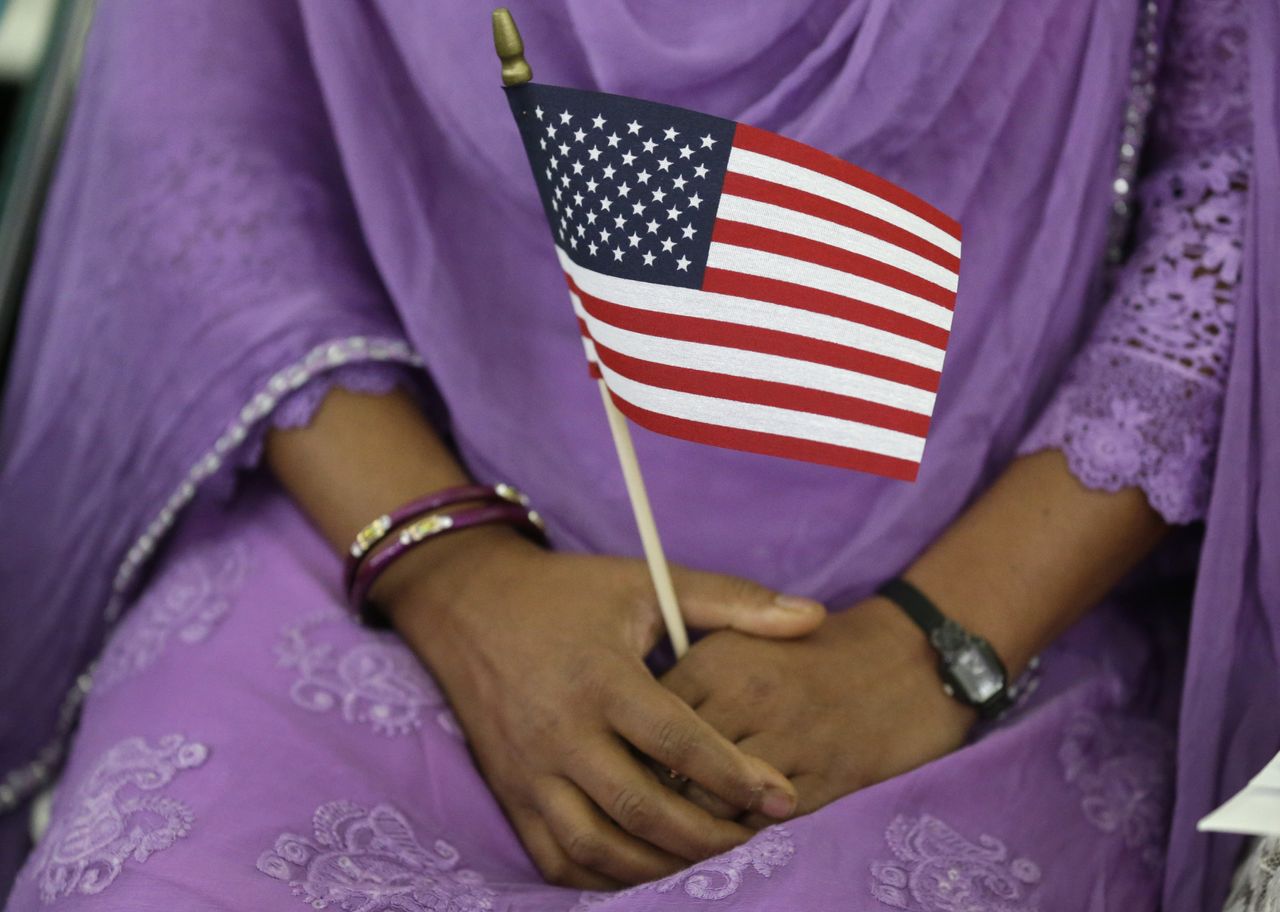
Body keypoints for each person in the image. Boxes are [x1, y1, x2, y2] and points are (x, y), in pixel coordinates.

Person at [0, 0, 1275, 909]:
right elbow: (203, 169)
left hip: (1009, 595)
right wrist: (451, 575)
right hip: (379, 525)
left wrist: (935, 650)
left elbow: (1237, 194)